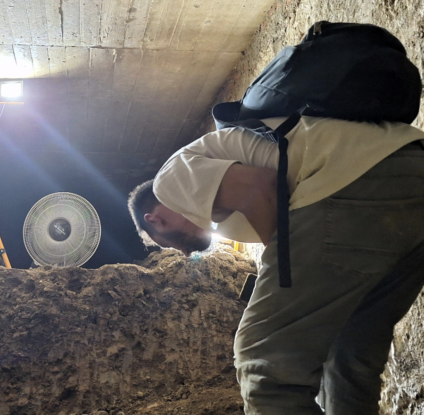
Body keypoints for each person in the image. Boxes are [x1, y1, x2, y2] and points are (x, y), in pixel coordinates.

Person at [128, 115, 424, 414]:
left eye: (170, 243)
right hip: (407, 170)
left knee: (262, 360)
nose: (181, 252)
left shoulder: (170, 181)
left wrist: (283, 277)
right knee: (347, 352)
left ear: (156, 221)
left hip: (351, 180)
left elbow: (262, 188)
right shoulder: (211, 197)